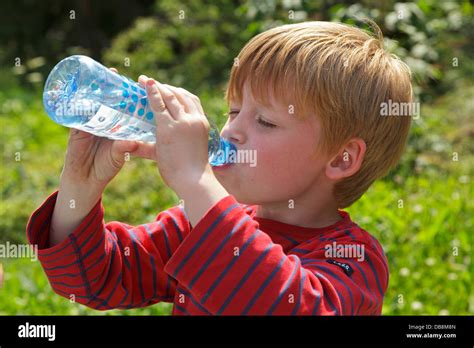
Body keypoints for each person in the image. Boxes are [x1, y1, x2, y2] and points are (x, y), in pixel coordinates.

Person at [26, 21, 412, 315]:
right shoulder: (192, 227)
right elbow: (93, 280)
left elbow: (282, 304)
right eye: (234, 110)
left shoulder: (352, 259)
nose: (232, 131)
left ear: (341, 158)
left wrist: (197, 185)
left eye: (266, 122)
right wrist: (79, 187)